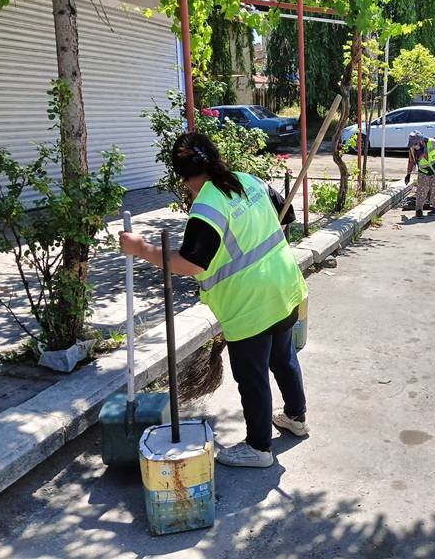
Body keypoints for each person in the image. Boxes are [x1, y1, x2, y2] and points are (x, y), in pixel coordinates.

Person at [119, 132, 309, 469]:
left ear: (184, 176)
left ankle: (258, 448)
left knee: (252, 378)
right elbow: (288, 216)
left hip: (250, 304)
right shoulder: (248, 181)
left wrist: (141, 248)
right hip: (285, 285)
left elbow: (189, 264)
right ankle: (296, 417)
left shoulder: (206, 207)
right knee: (283, 358)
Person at [404, 131, 435, 218]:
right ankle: (419, 210)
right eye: (412, 144)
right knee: (421, 189)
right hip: (424, 171)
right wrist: (408, 174)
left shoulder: (433, 143)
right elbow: (411, 161)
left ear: (421, 141)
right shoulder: (412, 149)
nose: (415, 146)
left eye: (416, 144)